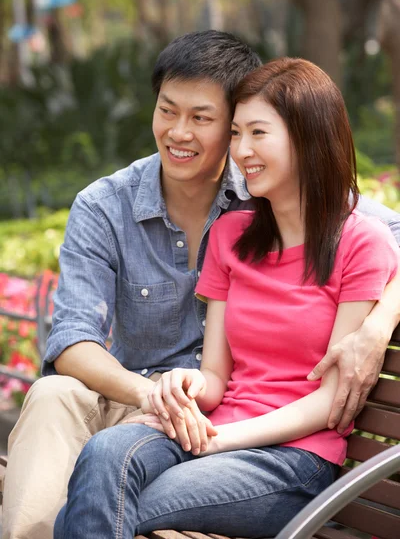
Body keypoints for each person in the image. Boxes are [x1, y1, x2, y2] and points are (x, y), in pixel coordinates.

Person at [3, 34, 400, 539]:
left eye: (204, 119)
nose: (178, 132)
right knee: (55, 397)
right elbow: (72, 339)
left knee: (98, 503)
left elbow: (381, 239)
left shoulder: (289, 199)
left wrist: (380, 322)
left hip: (254, 439)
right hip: (152, 403)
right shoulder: (116, 208)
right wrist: (162, 396)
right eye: (167, 110)